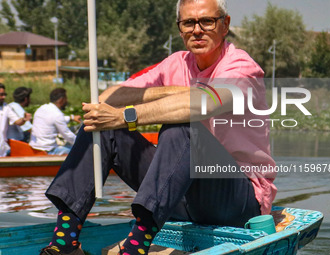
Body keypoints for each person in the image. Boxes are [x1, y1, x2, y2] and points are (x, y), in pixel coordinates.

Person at [40, 0, 277, 254]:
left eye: (207, 21)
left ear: (225, 25)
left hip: (235, 199)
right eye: (188, 23)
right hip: (180, 194)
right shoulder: (174, 63)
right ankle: (66, 240)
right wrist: (175, 93)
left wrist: (128, 115)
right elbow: (109, 96)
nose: (197, 30)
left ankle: (137, 243)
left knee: (183, 127)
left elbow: (202, 105)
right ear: (180, 29)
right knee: (102, 125)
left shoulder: (241, 67)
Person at [29, 88, 81, 155]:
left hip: (34, 147)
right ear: (61, 100)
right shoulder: (57, 114)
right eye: (66, 99)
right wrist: (81, 144)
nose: (67, 101)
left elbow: (51, 120)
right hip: (49, 150)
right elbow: (67, 134)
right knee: (78, 150)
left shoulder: (41, 108)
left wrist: (72, 118)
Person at [0, 84, 28, 157]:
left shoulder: (6, 107)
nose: (4, 97)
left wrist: (24, 119)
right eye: (1, 95)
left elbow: (17, 121)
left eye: (4, 94)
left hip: (2, 150)